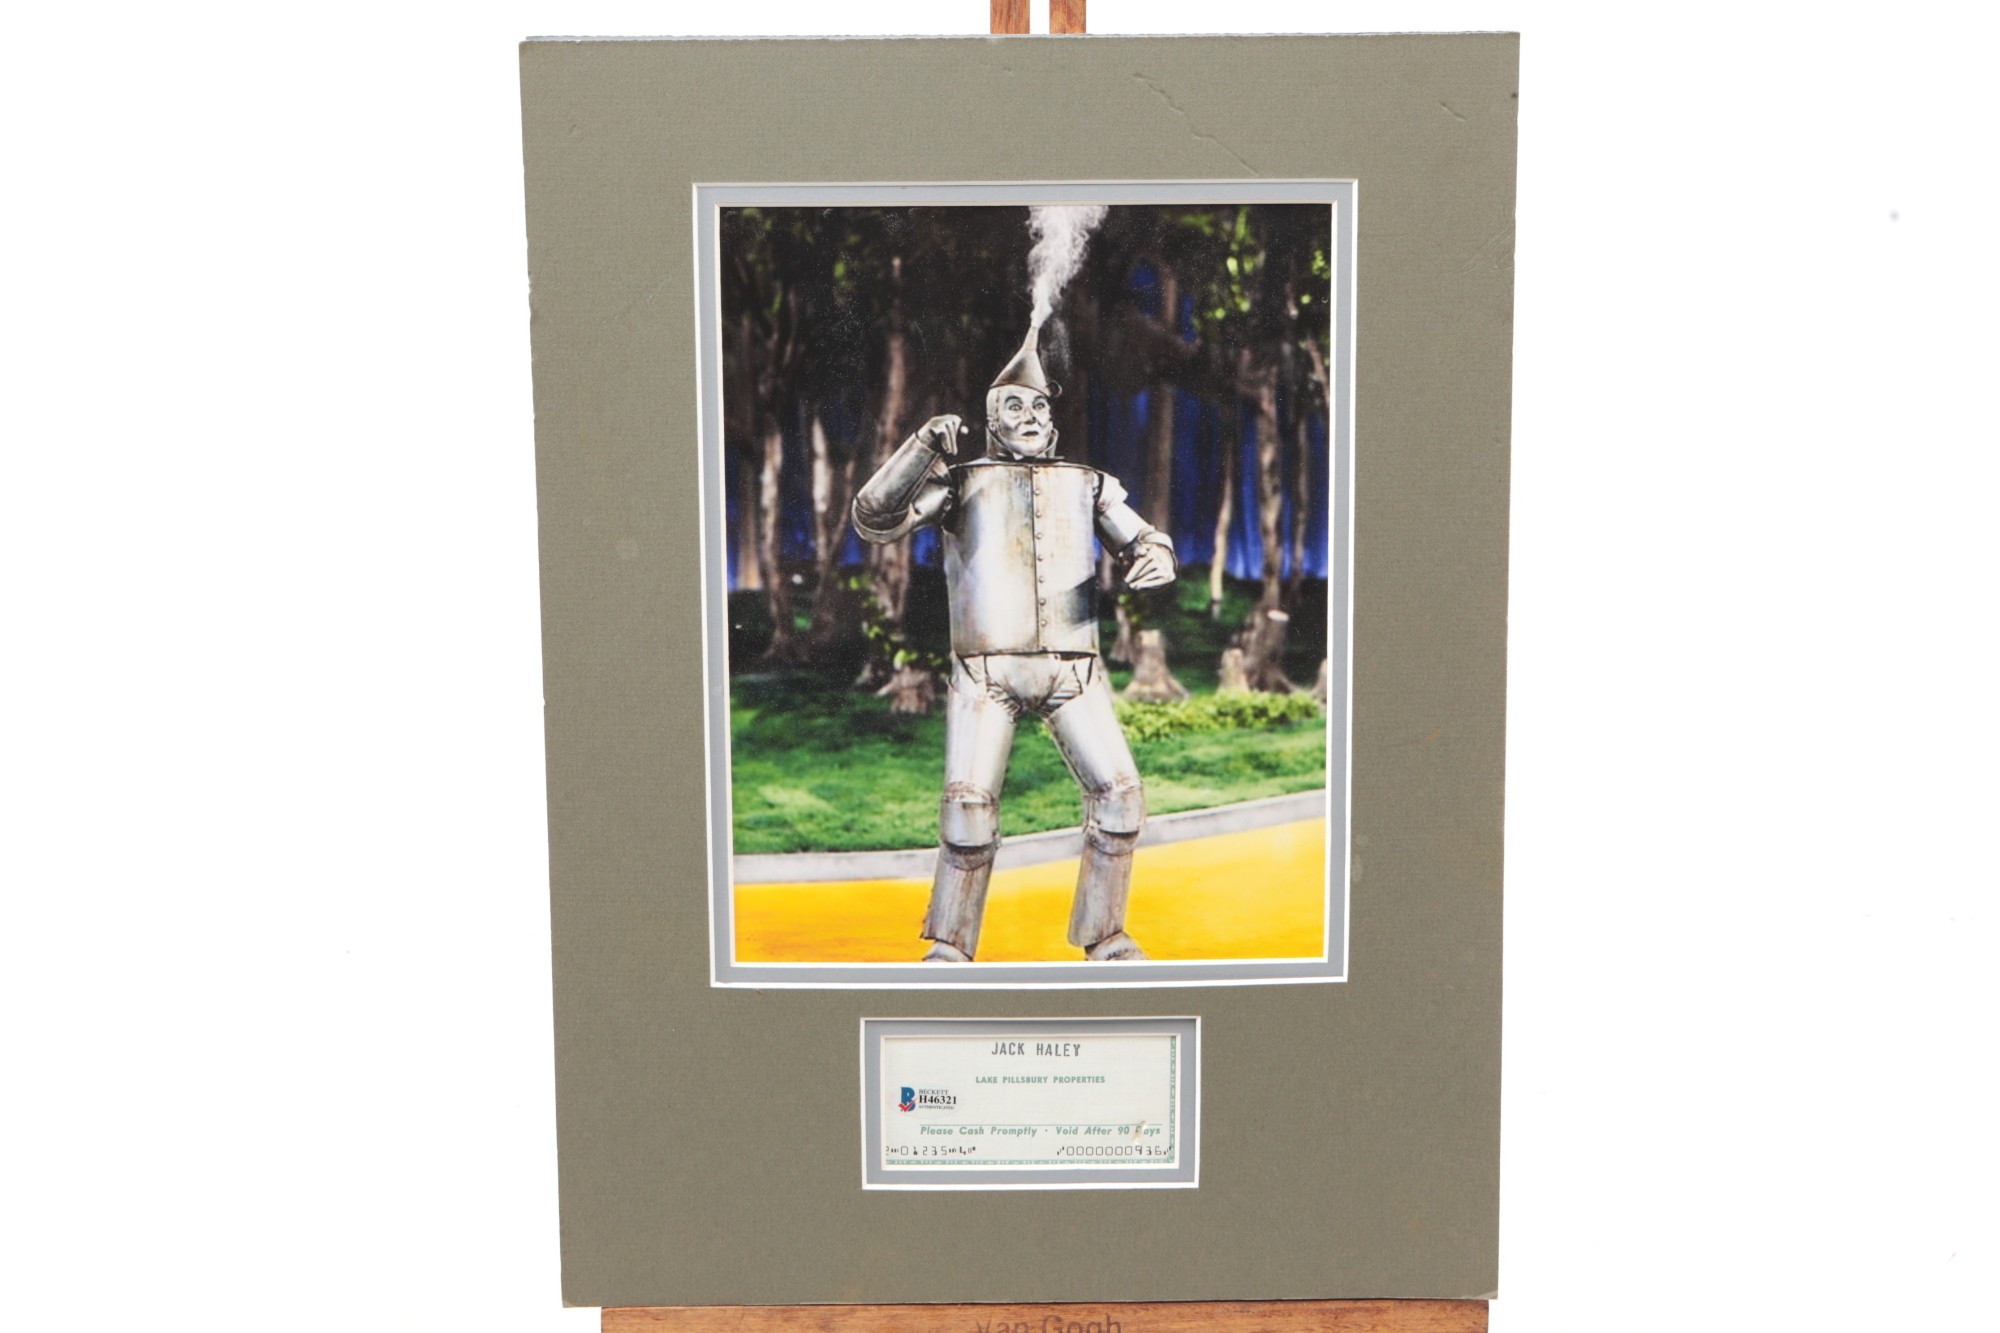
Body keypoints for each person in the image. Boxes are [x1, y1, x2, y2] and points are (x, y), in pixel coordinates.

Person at [852, 327, 1176, 962]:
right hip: (986, 671)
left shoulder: (1087, 482)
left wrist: (1155, 555)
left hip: (1075, 671)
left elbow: (1143, 537)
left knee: (1121, 798)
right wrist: (922, 446)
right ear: (991, 419)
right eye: (1013, 406)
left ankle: (1106, 935)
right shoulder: (961, 482)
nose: (1029, 417)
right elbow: (875, 519)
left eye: (1038, 406)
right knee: (968, 810)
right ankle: (950, 946)